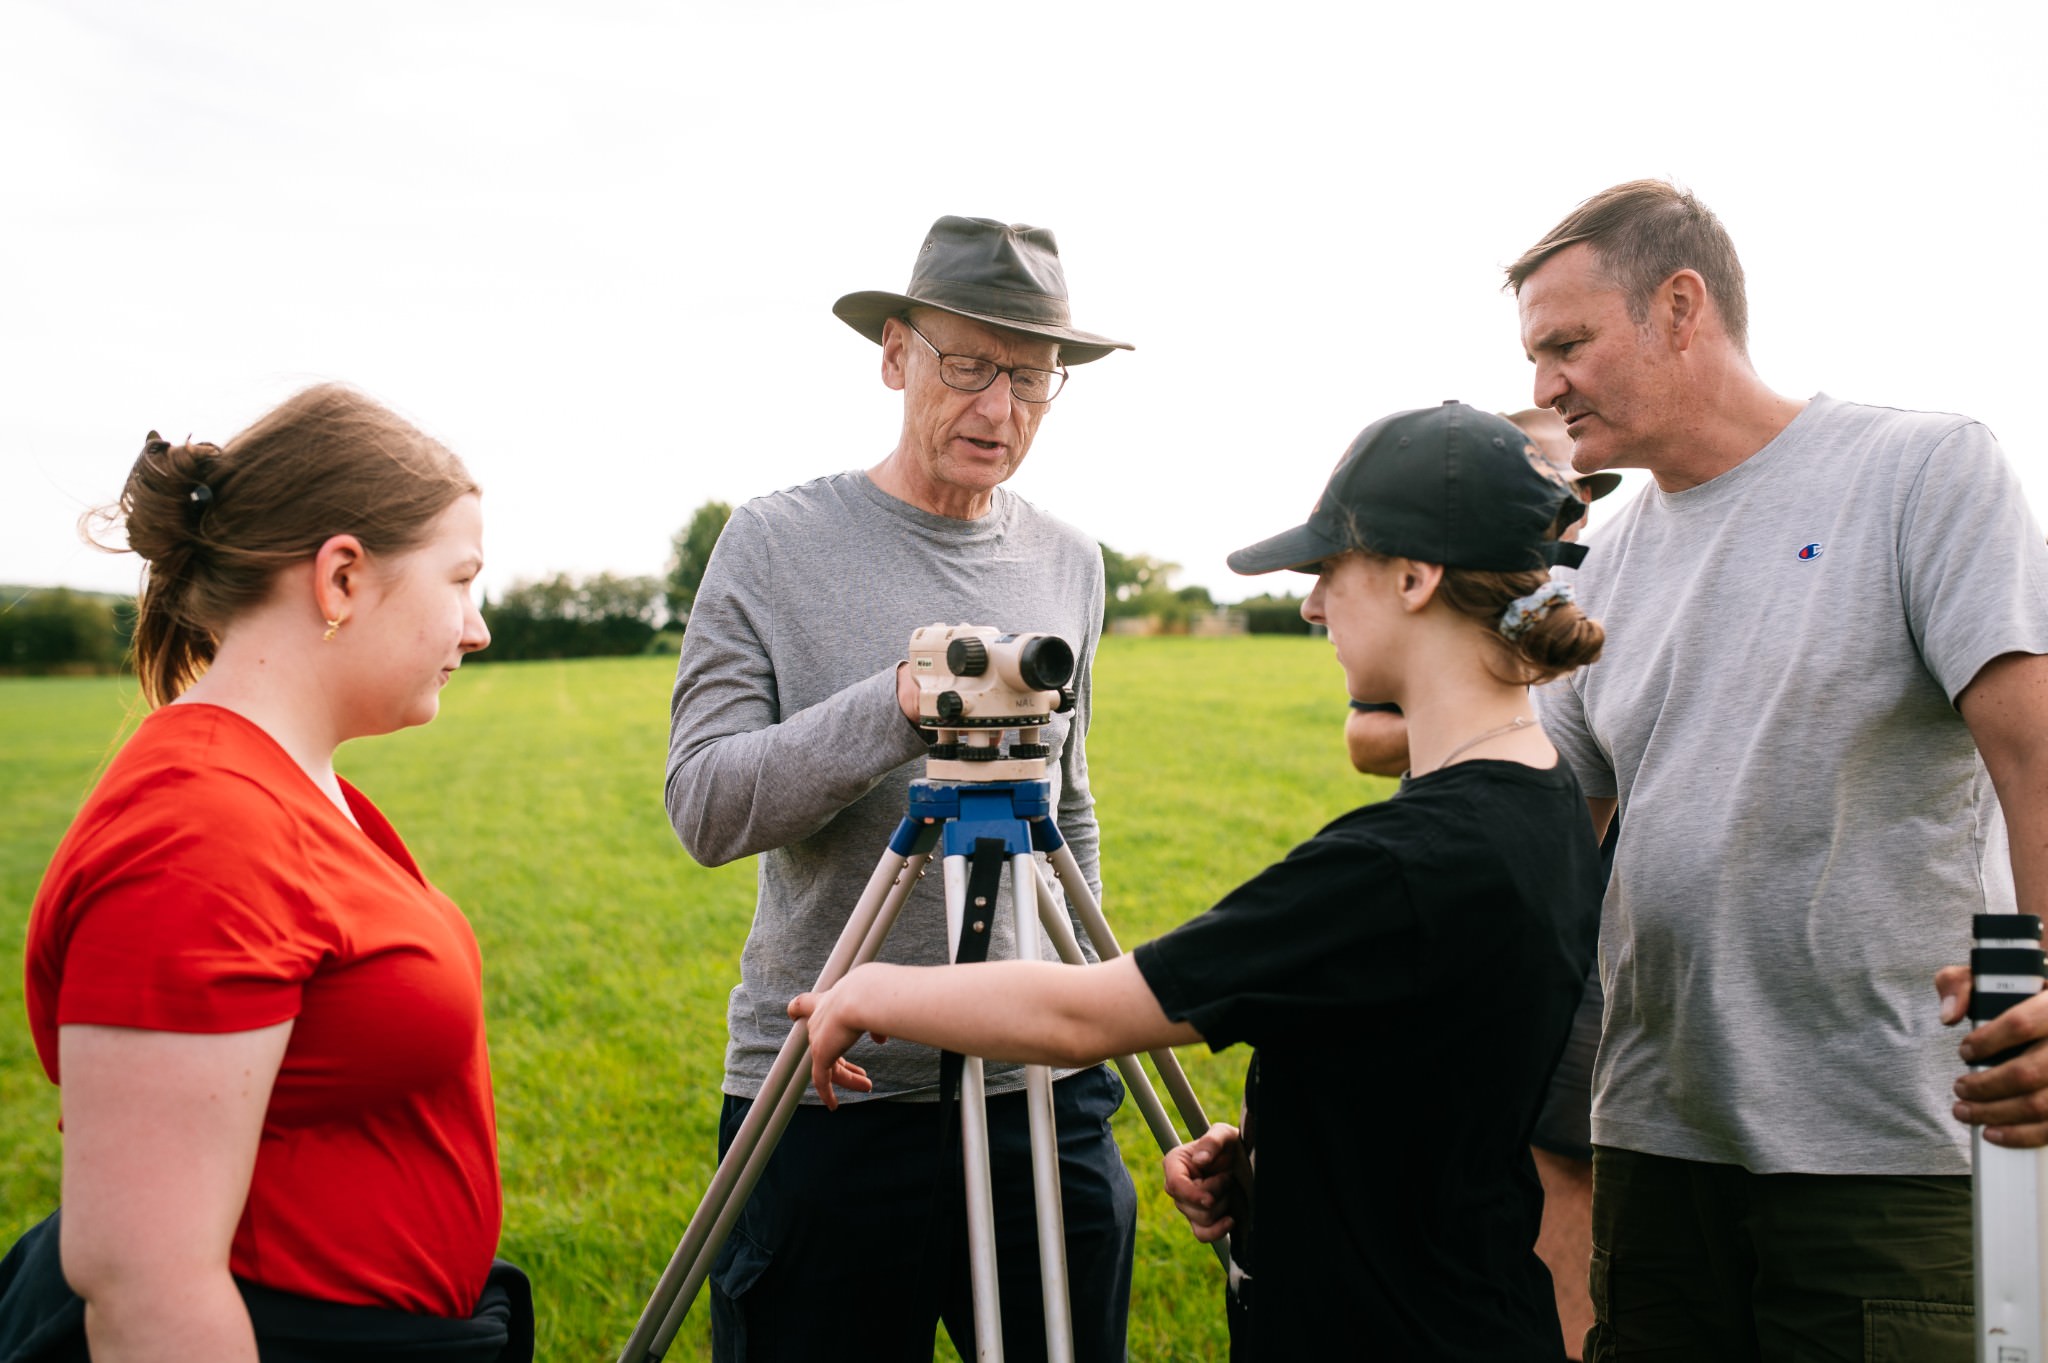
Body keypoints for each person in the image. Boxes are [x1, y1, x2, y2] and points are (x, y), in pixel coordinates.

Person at [791, 400, 1610, 1360]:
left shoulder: (1399, 865)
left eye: (1328, 570)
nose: (1311, 606)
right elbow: (1432, 1072)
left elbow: (1085, 1015)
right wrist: (1282, 1152)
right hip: (1476, 1300)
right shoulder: (1548, 801)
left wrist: (874, 990)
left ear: (1414, 576)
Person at [1509, 178, 2048, 1361]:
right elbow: (1539, 865)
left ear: (1679, 307)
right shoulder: (1598, 571)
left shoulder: (1919, 470)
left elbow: (2034, 754)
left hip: (1880, 1144)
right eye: (1534, 358)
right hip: (1651, 1142)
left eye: (1565, 345)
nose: (1543, 387)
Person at [664, 216, 1136, 1362]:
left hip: (1038, 1091)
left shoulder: (1069, 559)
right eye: (967, 365)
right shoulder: (771, 541)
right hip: (831, 1093)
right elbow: (706, 807)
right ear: (893, 355)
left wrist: (1086, 1013)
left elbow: (1065, 803)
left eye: (1030, 376)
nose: (998, 408)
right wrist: (896, 704)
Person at [0, 386, 531, 1362]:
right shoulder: (194, 835)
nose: (476, 628)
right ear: (341, 578)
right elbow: (146, 1286)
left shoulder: (284, 781)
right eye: (461, 581)